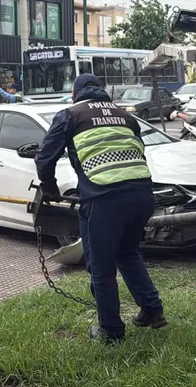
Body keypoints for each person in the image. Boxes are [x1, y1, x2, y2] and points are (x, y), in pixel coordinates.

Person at [34, 73, 165, 344]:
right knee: (128, 253)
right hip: (142, 194)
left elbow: (45, 157)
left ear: (75, 94)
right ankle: (152, 311)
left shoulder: (70, 115)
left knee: (101, 267)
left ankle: (110, 331)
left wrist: (49, 187)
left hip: (104, 197)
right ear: (102, 92)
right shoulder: (125, 116)